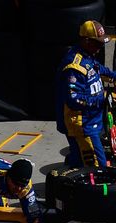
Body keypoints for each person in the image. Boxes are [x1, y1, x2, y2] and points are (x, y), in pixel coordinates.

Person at [56, 20, 116, 168]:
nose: (101, 47)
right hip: (83, 125)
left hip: (91, 120)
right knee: (97, 167)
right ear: (86, 41)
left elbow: (99, 70)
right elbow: (73, 99)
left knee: (78, 159)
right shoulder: (74, 67)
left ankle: (67, 179)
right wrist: (100, 99)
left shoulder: (87, 56)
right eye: (98, 43)